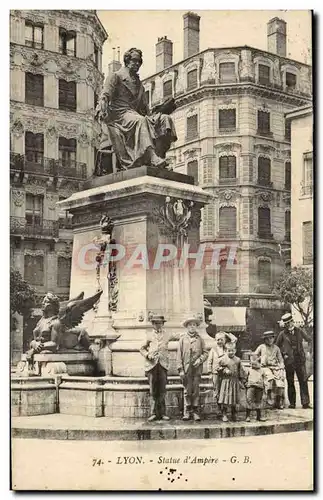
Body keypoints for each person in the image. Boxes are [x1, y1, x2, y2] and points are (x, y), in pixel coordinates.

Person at [95, 48, 177, 170]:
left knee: (165, 119)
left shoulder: (139, 85)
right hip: (119, 115)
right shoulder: (116, 76)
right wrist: (101, 106)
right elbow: (105, 94)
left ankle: (159, 155)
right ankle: (151, 156)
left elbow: (145, 110)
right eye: (135, 60)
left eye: (139, 61)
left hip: (134, 114)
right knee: (140, 121)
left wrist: (158, 113)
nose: (137, 63)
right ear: (127, 61)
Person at [140, 315, 178, 422]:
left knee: (162, 390)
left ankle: (162, 413)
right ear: (152, 324)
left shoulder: (167, 335)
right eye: (156, 323)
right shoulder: (148, 335)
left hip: (162, 365)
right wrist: (148, 355)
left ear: (163, 324)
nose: (158, 325)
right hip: (151, 366)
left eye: (160, 323)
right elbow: (141, 348)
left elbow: (178, 336)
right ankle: (153, 413)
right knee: (153, 390)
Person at [276, 313, 312, 409]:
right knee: (290, 382)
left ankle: (305, 403)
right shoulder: (282, 334)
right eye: (286, 323)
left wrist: (308, 351)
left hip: (300, 360)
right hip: (289, 362)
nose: (288, 325)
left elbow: (309, 340)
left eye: (289, 322)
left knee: (303, 381)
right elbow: (277, 346)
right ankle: (292, 403)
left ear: (293, 321)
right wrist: (283, 354)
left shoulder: (299, 331)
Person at [177, 317, 208, 421]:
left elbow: (205, 352)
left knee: (195, 390)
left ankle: (195, 411)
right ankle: (187, 411)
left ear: (196, 327)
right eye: (190, 325)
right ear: (187, 327)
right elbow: (179, 355)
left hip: (197, 368)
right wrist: (180, 369)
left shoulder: (200, 339)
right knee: (187, 390)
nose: (192, 327)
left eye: (194, 325)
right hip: (186, 369)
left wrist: (200, 360)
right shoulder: (182, 339)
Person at [255, 331, 285, 409]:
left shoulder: (276, 348)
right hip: (265, 367)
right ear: (264, 340)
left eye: (271, 338)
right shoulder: (261, 347)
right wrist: (258, 360)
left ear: (273, 339)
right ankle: (269, 395)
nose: (270, 340)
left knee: (280, 383)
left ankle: (278, 401)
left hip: (275, 367)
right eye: (267, 339)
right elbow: (254, 356)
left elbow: (281, 359)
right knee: (270, 378)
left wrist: (281, 367)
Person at [217, 343, 247, 422]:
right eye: (229, 351)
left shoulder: (238, 360)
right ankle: (224, 414)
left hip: (235, 382)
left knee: (234, 399)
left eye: (232, 351)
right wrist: (224, 370)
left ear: (235, 351)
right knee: (225, 399)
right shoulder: (222, 359)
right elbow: (218, 369)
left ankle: (234, 414)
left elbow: (241, 370)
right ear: (226, 351)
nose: (231, 352)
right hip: (226, 382)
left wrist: (242, 380)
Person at [207, 331, 237, 402]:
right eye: (218, 340)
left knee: (224, 390)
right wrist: (210, 373)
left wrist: (226, 334)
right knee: (216, 389)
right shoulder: (213, 350)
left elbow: (234, 340)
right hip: (215, 373)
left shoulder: (226, 349)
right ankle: (218, 407)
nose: (220, 341)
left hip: (224, 372)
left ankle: (224, 408)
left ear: (225, 340)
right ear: (215, 340)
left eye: (222, 340)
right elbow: (209, 361)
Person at [245, 353, 266, 422]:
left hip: (259, 387)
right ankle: (248, 416)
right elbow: (245, 377)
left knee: (258, 401)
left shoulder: (262, 370)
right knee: (249, 400)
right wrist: (245, 383)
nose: (253, 365)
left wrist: (265, 385)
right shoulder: (249, 370)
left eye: (255, 363)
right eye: (252, 363)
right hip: (251, 386)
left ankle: (258, 416)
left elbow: (265, 378)